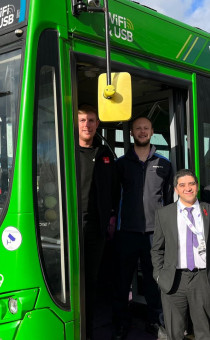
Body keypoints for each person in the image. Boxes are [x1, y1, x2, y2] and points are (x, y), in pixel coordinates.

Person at [112, 116, 173, 339]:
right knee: (122, 281)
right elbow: (114, 197)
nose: (142, 131)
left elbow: (167, 201)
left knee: (153, 282)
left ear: (152, 131)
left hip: (154, 235)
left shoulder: (164, 164)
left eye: (146, 128)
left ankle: (154, 320)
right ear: (132, 133)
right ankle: (121, 323)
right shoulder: (121, 164)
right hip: (126, 232)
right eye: (138, 128)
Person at [151, 169, 210, 340]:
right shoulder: (164, 214)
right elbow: (157, 249)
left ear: (197, 187)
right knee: (174, 332)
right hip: (174, 279)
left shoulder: (208, 211)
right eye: (182, 185)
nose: (188, 188)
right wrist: (159, 276)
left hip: (202, 278)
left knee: (204, 330)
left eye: (191, 184)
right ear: (176, 189)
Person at [78, 104, 118, 340]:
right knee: (72, 279)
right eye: (82, 120)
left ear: (97, 124)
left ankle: (88, 330)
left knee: (91, 281)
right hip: (68, 225)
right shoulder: (64, 151)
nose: (87, 125)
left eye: (91, 120)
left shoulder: (105, 155)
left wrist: (110, 218)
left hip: (96, 227)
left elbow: (114, 189)